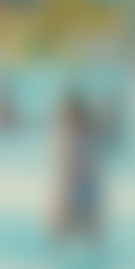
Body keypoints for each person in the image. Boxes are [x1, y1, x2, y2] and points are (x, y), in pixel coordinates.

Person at [54, 90, 103, 241]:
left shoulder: (77, 137)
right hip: (80, 188)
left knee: (74, 231)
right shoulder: (80, 136)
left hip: (80, 188)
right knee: (79, 232)